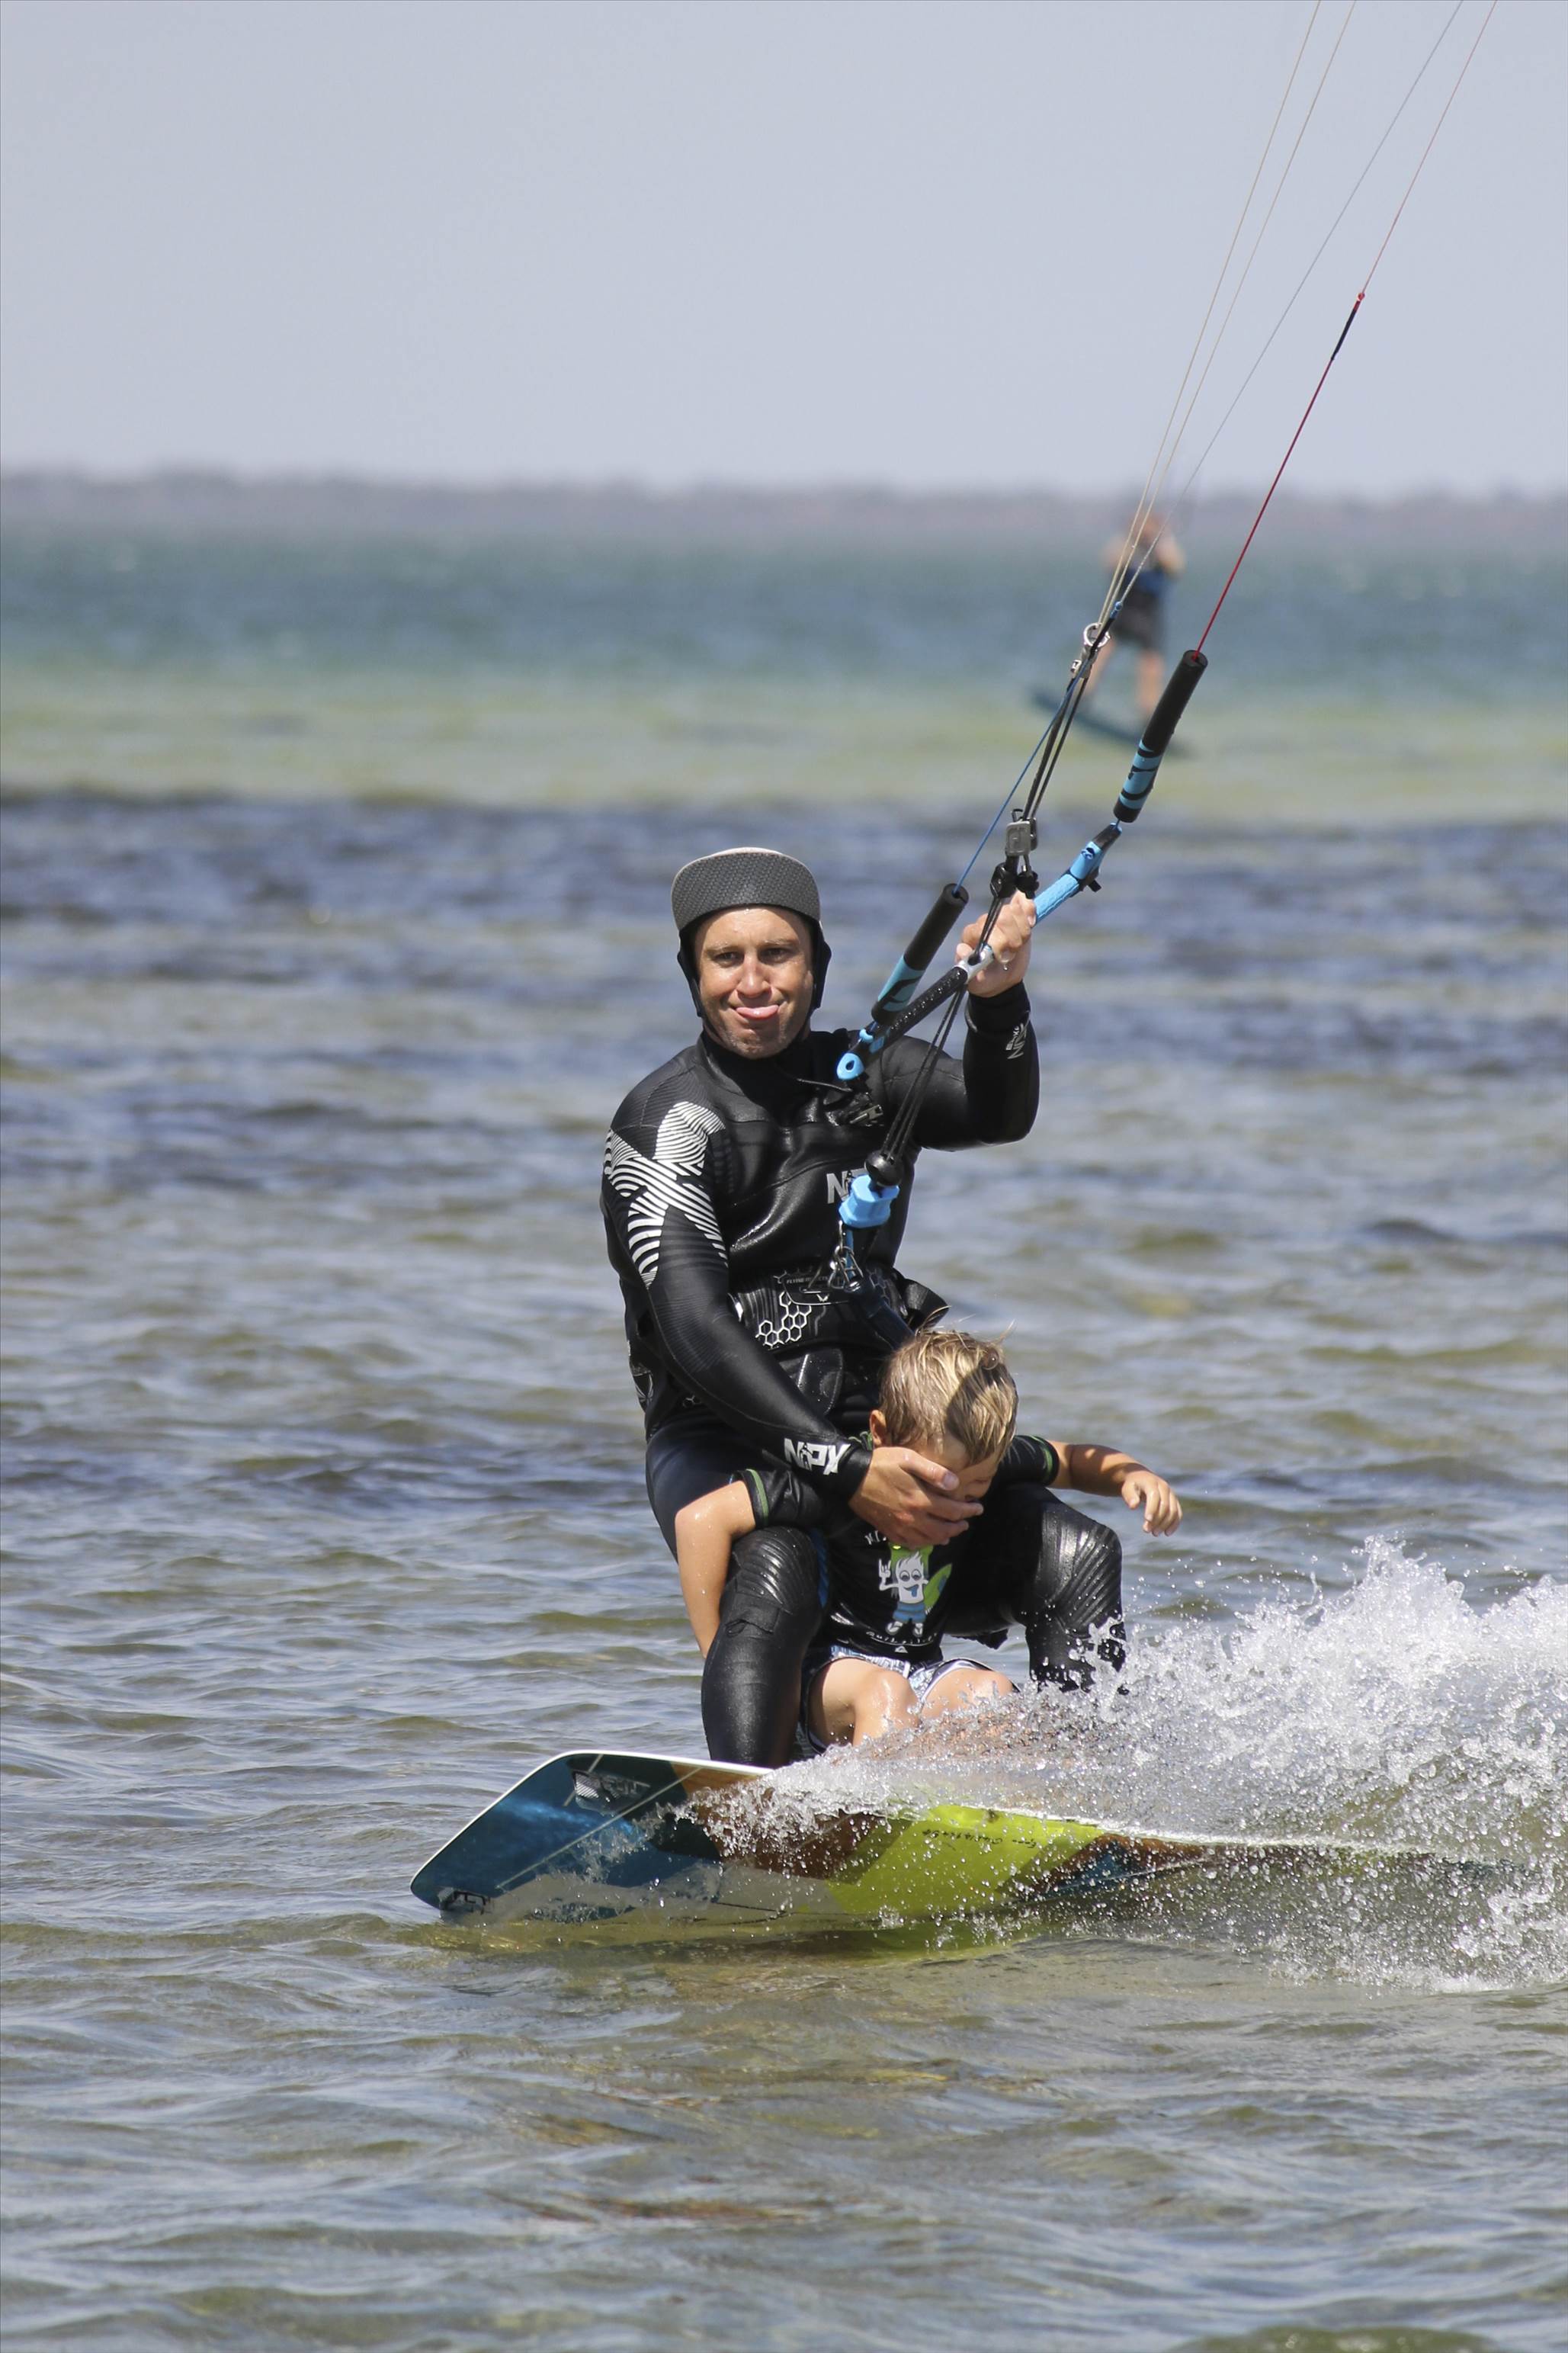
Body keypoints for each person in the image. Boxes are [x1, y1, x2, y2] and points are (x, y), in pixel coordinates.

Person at [601, 843, 1121, 1767]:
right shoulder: (664, 1124)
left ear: (817, 965)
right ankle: (754, 1802)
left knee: (1072, 1550)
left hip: (884, 1433)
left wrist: (998, 996)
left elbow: (997, 1112)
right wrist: (844, 1468)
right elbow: (694, 1332)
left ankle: (1083, 1788)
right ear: (691, 973)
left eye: (778, 954)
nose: (753, 982)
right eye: (726, 958)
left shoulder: (869, 1076)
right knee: (777, 1562)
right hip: (727, 1440)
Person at [674, 1329, 1181, 1750]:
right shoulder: (836, 1482)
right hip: (826, 1678)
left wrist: (1131, 1475)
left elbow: (1067, 1461)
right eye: (934, 1483)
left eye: (974, 1488)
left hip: (921, 1669)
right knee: (884, 1694)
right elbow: (700, 1521)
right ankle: (867, 1817)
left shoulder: (975, 1456)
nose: (952, 1499)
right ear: (881, 1434)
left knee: (991, 1695)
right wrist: (719, 1661)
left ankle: (987, 1818)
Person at [1085, 514, 1185, 723]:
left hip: (1149, 613)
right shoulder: (1126, 546)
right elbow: (1110, 562)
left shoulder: (1163, 548)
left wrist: (1161, 542)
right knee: (1100, 651)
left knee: (1151, 666)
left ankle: (1147, 716)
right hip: (1124, 609)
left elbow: (1176, 568)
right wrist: (1131, 541)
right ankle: (1081, 694)